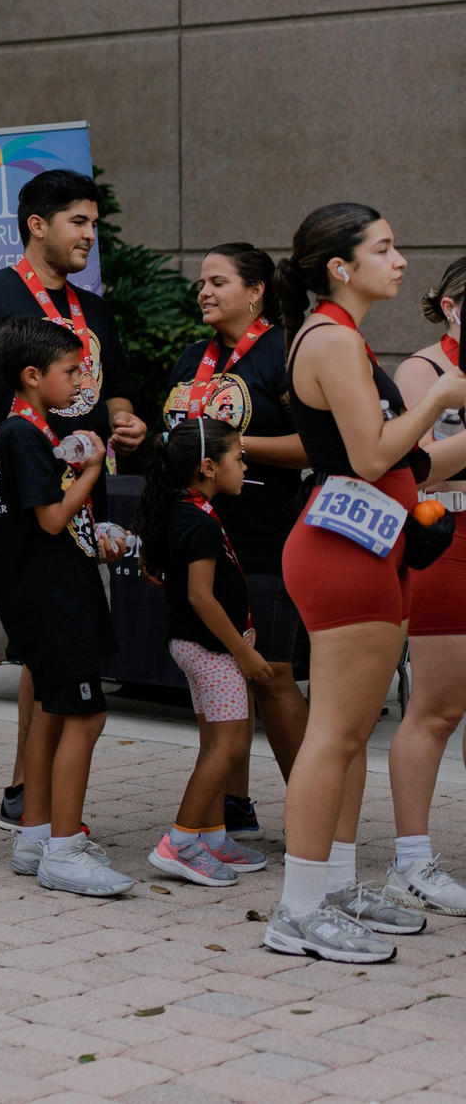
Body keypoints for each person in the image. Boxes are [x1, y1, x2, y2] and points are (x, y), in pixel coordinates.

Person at [0, 168, 143, 847]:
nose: (89, 236)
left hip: (74, 519)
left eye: (94, 225)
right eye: (79, 222)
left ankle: (28, 796)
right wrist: (21, 452)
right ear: (37, 223)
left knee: (53, 659)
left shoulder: (93, 310)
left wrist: (127, 423)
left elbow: (119, 393)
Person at [266, 204, 466, 962]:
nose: (402, 259)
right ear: (340, 267)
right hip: (344, 551)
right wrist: (441, 399)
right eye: (384, 247)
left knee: (351, 736)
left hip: (370, 543)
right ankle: (298, 907)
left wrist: (449, 426)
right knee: (336, 735)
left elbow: (410, 464)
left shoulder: (338, 339)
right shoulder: (333, 340)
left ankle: (336, 882)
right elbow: (377, 453)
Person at [163, 244, 310, 839]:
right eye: (200, 281)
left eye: (217, 281)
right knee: (219, 676)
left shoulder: (286, 352)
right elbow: (173, 447)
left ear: (256, 292)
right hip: (201, 538)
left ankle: (311, 806)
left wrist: (231, 451)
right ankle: (230, 806)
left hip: (267, 537)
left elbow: (315, 444)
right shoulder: (192, 357)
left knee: (271, 674)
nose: (203, 291)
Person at [0, 315, 135, 898]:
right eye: (70, 372)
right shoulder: (23, 433)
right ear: (31, 375)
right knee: (85, 714)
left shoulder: (32, 430)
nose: (80, 382)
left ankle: (36, 834)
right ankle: (64, 850)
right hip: (49, 596)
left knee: (51, 709)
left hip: (48, 587)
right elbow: (50, 517)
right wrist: (93, 467)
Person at [134, 418, 272, 889]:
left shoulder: (190, 511)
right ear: (209, 467)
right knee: (231, 744)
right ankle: (180, 842)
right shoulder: (196, 521)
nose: (245, 464)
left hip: (198, 647)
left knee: (216, 743)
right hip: (210, 650)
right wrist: (243, 653)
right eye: (239, 457)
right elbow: (201, 597)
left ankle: (211, 836)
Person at [384, 257, 466, 915]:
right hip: (448, 540)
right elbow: (414, 468)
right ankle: (411, 861)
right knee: (437, 708)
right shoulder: (424, 372)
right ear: (446, 304)